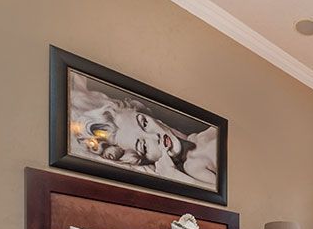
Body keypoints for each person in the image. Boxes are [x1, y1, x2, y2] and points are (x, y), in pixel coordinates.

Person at [68, 73, 218, 189]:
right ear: (144, 159)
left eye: (144, 123)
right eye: (144, 146)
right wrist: (174, 175)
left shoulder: (206, 134)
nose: (155, 136)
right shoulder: (193, 165)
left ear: (152, 117)